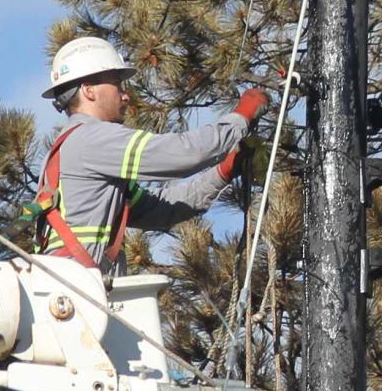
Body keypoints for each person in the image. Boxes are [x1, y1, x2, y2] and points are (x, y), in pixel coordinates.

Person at [28, 35, 265, 277]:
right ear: (89, 91)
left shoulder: (76, 147)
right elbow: (182, 154)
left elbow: (164, 209)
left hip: (70, 290)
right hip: (77, 289)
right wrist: (239, 119)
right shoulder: (92, 139)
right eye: (117, 85)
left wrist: (222, 173)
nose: (125, 95)